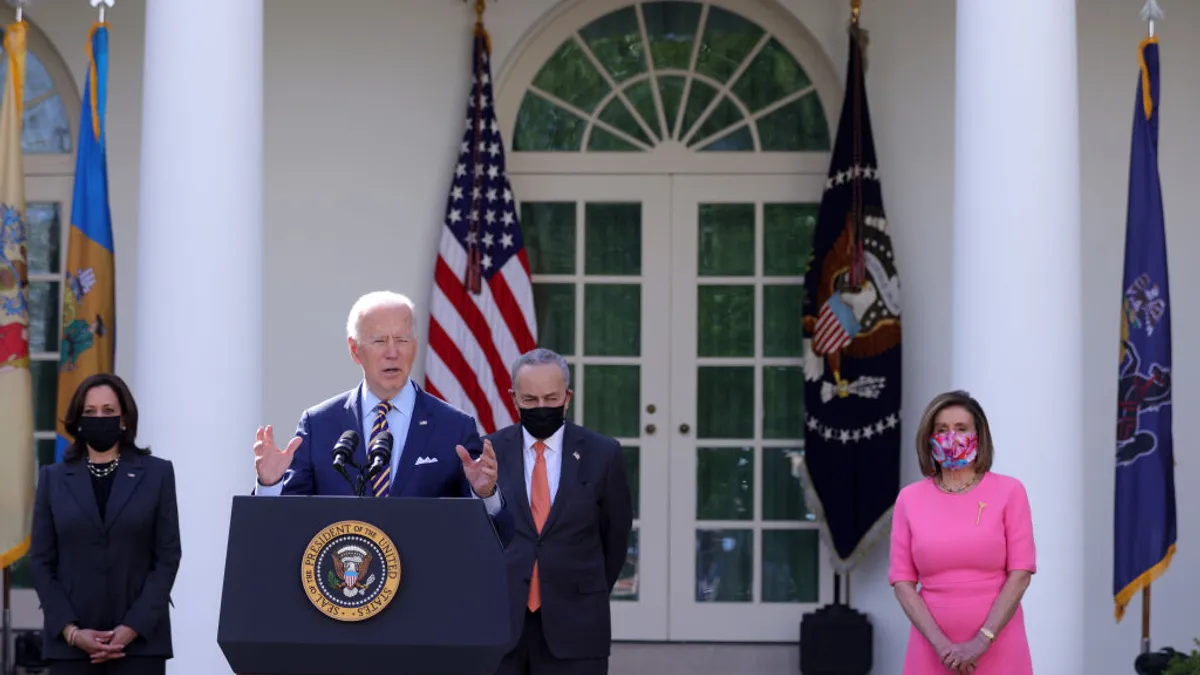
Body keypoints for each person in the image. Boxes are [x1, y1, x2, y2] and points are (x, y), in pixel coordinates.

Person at [251, 290, 513, 546]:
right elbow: (283, 528)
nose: (392, 352)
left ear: (415, 346)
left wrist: (485, 494)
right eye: (379, 341)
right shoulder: (319, 424)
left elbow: (497, 537)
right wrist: (271, 486)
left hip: (427, 584)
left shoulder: (454, 427)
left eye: (402, 340)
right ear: (354, 350)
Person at [488, 348, 633, 675]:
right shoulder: (489, 452)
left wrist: (580, 588)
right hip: (503, 626)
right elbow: (479, 534)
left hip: (577, 623)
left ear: (567, 398)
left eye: (550, 398)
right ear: (514, 399)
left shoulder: (603, 453)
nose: (541, 408)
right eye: (530, 400)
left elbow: (615, 537)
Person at [30, 373, 182, 675]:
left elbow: (167, 557)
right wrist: (71, 632)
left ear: (124, 418)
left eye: (109, 411)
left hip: (140, 647)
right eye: (90, 412)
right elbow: (41, 561)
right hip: (70, 649)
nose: (100, 417)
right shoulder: (53, 479)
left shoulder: (157, 474)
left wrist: (132, 628)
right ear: (79, 419)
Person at [888, 390, 1036, 674]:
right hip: (931, 650)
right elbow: (902, 582)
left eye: (961, 429)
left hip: (1000, 646)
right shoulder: (909, 499)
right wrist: (943, 647)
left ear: (978, 435)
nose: (951, 437)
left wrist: (982, 640)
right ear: (928, 438)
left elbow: (1021, 573)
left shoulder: (1009, 492)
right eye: (942, 429)